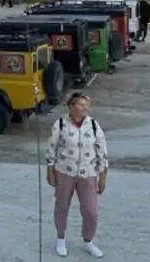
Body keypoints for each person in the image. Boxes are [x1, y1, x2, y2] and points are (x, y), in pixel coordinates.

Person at [46, 92, 108, 258]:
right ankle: (60, 238)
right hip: (64, 171)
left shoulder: (93, 125)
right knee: (62, 206)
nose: (85, 108)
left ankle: (88, 240)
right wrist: (50, 171)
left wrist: (102, 177)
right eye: (81, 105)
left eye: (86, 105)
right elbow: (51, 148)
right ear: (71, 106)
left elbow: (102, 151)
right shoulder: (60, 123)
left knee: (91, 212)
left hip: (88, 174)